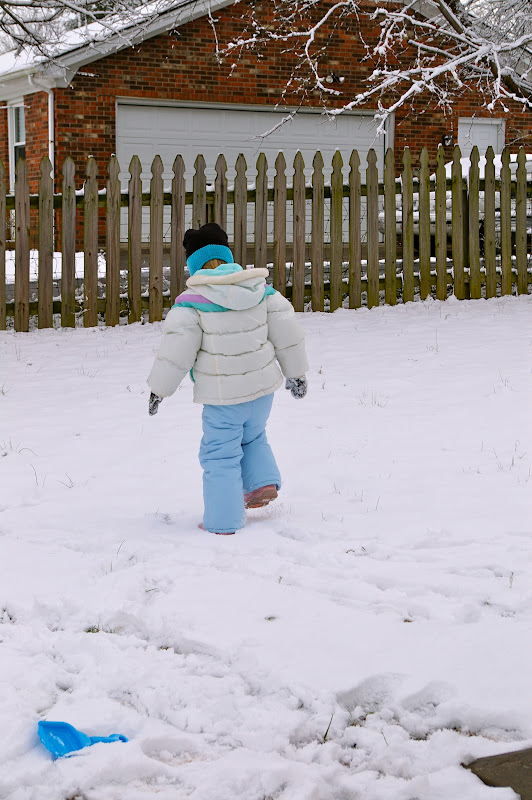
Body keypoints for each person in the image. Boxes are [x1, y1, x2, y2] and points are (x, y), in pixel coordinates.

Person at [147, 222, 309, 535]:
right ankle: (261, 484)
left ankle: (223, 521)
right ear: (228, 256)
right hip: (263, 393)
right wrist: (296, 373)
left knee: (219, 454)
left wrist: (159, 390)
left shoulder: (191, 303)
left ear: (193, 264)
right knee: (253, 436)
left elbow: (175, 353)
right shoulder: (260, 290)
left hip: (224, 399)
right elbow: (288, 333)